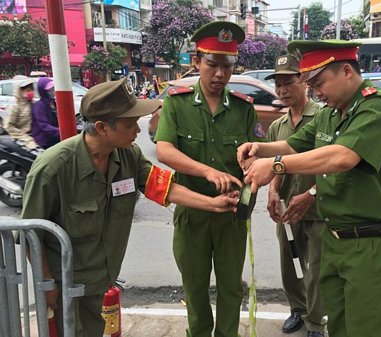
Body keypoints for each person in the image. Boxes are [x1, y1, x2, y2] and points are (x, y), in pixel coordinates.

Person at [21, 78, 239, 337]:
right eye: (129, 124)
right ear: (102, 127)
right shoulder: (54, 168)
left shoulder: (128, 155)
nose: (138, 129)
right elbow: (29, 233)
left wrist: (213, 204)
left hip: (101, 278)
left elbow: (162, 187)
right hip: (66, 284)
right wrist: (46, 285)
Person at [237, 40, 381, 337]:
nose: (316, 91)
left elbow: (343, 157)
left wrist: (276, 165)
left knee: (369, 331)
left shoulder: (378, 107)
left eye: (319, 82)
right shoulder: (329, 114)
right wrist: (259, 148)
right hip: (336, 241)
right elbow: (292, 145)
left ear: (346, 71)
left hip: (373, 242)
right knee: (340, 329)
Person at [154, 21, 265, 337]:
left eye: (227, 66)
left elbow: (254, 154)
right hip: (193, 213)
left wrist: (253, 170)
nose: (219, 74)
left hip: (231, 214)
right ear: (196, 62)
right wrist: (206, 171)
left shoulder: (244, 108)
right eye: (212, 65)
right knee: (195, 287)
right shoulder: (177, 101)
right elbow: (164, 151)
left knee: (231, 287)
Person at [265, 54, 326, 337]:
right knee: (290, 263)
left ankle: (315, 321)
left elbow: (333, 166)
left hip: (317, 210)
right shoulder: (278, 126)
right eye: (277, 84)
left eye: (288, 83)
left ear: (303, 81)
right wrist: (272, 190)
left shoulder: (324, 119)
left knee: (315, 269)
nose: (282, 90)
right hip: (288, 212)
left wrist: (312, 194)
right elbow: (276, 163)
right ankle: (297, 310)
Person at [5, 77, 40, 149]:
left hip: (37, 135)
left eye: (32, 89)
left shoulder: (34, 103)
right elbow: (8, 126)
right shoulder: (15, 107)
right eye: (28, 90)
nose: (31, 92)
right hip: (24, 139)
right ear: (20, 91)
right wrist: (25, 138)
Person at [31, 77, 60, 149]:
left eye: (53, 88)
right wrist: (60, 131)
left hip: (55, 136)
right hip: (45, 139)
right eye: (49, 90)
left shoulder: (53, 103)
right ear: (43, 91)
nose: (52, 91)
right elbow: (44, 125)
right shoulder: (39, 106)